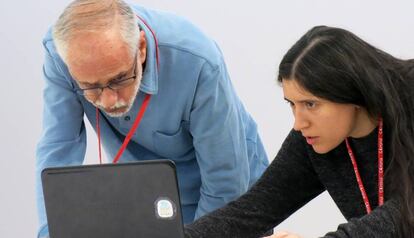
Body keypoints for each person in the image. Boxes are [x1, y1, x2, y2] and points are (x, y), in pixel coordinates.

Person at [36, 0, 269, 237]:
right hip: (144, 197)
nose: (107, 101)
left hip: (228, 194)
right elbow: (57, 151)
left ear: (142, 47)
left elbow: (224, 181)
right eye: (90, 86)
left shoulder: (197, 61)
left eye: (118, 79)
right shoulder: (61, 54)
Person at [184, 26, 414, 237]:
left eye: (310, 104)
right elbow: (251, 211)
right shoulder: (313, 139)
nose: (298, 123)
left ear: (351, 91)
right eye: (292, 104)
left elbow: (405, 213)